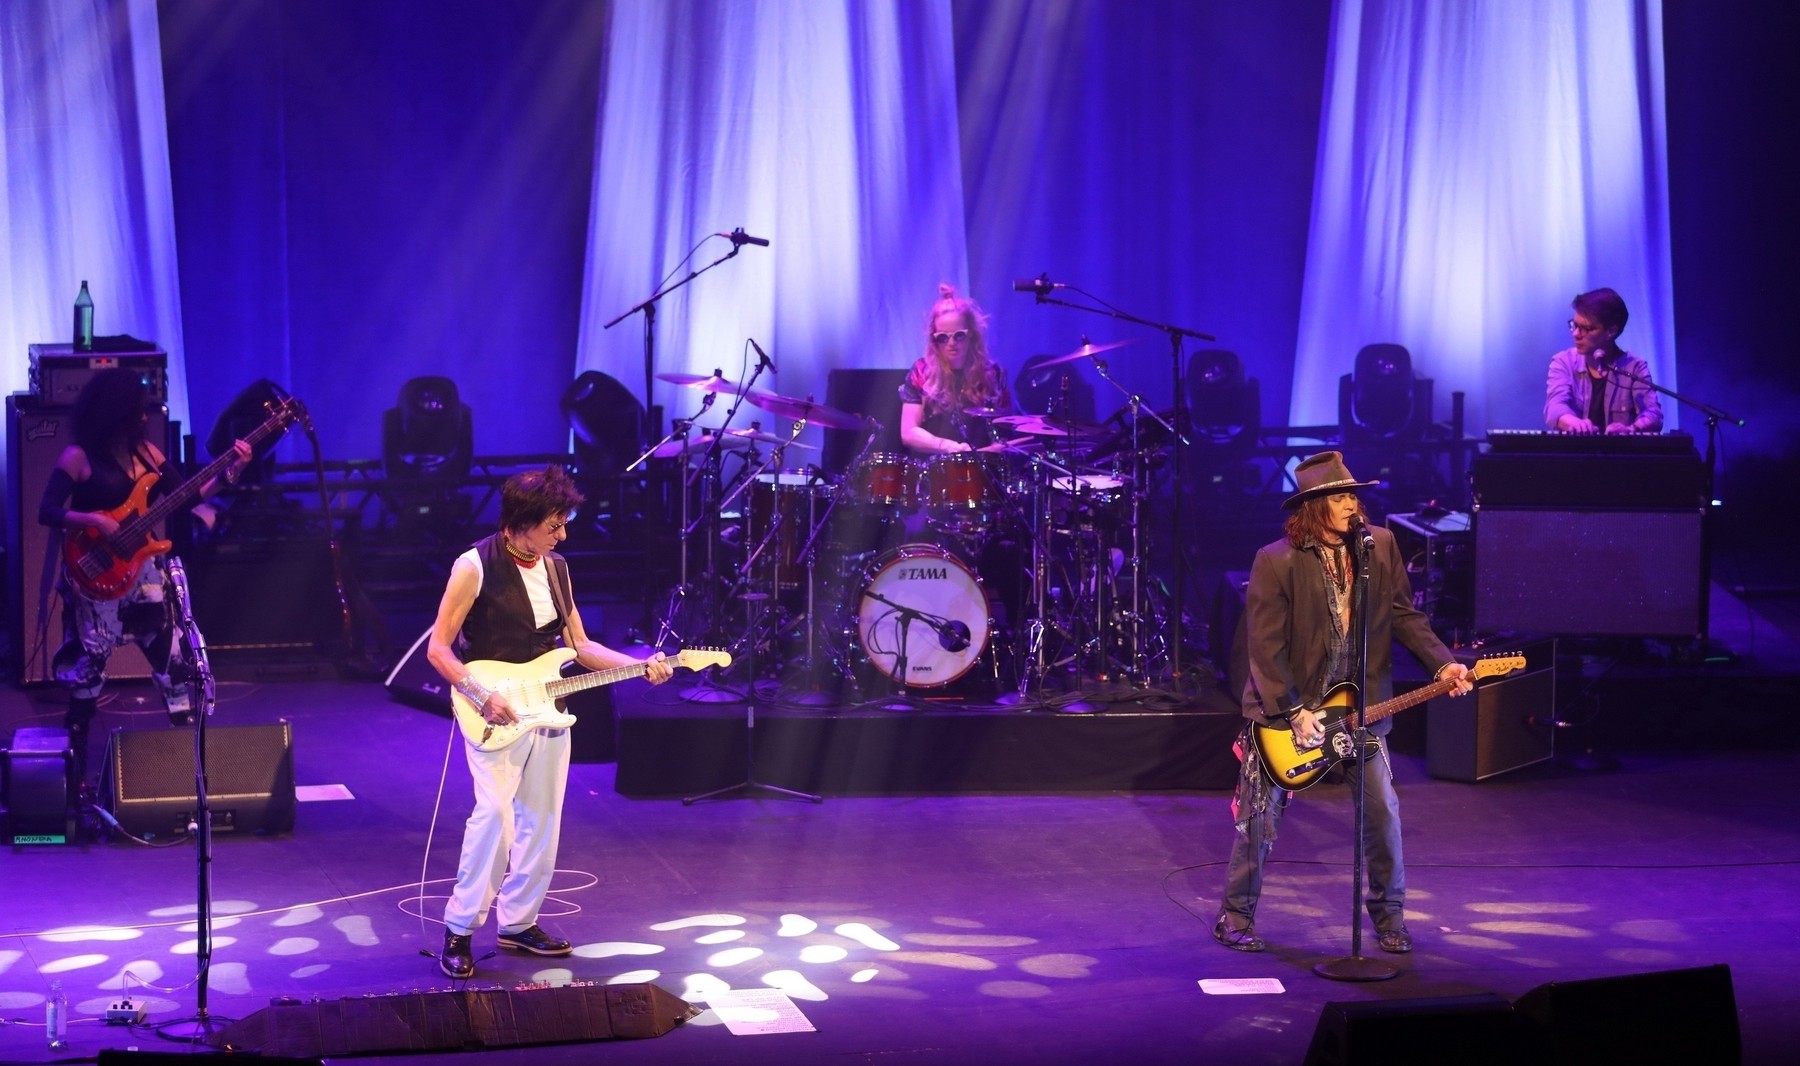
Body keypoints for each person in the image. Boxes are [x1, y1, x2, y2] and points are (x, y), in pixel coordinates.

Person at [1214, 451, 1472, 954]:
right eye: (1339, 497)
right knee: (1260, 820)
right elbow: (1262, 646)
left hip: (1360, 710)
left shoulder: (1380, 547)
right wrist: (1293, 709)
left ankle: (1390, 917)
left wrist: (1443, 664)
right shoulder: (1277, 560)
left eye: (1353, 494)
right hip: (1289, 712)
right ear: (1313, 507)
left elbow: (1404, 616)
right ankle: (1235, 915)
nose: (1352, 505)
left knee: (1383, 815)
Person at [426, 465, 673, 980]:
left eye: (563, 524)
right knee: (494, 817)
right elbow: (439, 649)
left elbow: (579, 646)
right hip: (493, 706)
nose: (563, 534)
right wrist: (480, 693)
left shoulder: (557, 567)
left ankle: (519, 923)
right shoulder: (473, 565)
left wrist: (639, 663)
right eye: (554, 525)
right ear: (521, 521)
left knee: (543, 820)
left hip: (548, 704)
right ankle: (459, 929)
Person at [37, 368, 252, 777]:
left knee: (174, 664)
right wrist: (95, 521)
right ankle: (76, 772)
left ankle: (193, 771)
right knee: (88, 676)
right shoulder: (78, 457)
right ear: (112, 412)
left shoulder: (148, 454)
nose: (142, 418)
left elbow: (188, 497)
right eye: (134, 411)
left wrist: (231, 472)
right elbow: (46, 510)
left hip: (145, 578)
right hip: (96, 580)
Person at [898, 284, 1013, 455]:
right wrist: (948, 446)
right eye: (943, 337)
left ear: (971, 335)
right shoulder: (921, 372)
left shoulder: (993, 373)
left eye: (959, 336)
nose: (952, 344)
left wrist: (1001, 447)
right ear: (934, 340)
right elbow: (908, 432)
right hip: (936, 471)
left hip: (984, 471)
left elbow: (1008, 427)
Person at [1544, 287, 1664, 435]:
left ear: (1611, 331)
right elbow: (1555, 406)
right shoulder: (1563, 362)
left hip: (1620, 456)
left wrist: (1630, 430)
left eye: (1586, 328)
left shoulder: (1634, 368)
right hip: (1574, 455)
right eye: (1574, 325)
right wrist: (1575, 423)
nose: (1576, 334)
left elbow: (1653, 414)